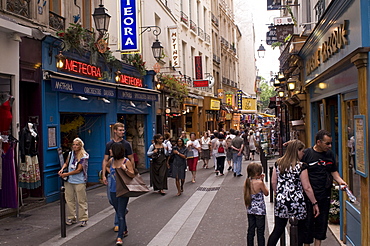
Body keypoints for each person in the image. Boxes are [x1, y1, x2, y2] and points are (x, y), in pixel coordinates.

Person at [267, 139, 319, 246]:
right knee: (300, 230)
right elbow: (307, 187)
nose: (303, 153)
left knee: (278, 229)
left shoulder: (278, 164)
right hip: (297, 201)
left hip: (281, 199)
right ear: (297, 151)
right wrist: (314, 202)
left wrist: (279, 193)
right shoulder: (301, 166)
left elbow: (273, 182)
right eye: (302, 151)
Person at [300, 130, 347, 246]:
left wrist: (341, 182)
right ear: (318, 142)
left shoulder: (329, 154)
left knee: (321, 225)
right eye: (327, 143)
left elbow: (333, 171)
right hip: (308, 197)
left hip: (324, 195)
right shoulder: (307, 154)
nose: (330, 146)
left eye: (330, 143)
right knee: (307, 225)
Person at [101, 122, 133, 233]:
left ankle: (118, 223)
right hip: (112, 175)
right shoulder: (109, 144)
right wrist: (105, 174)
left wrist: (129, 172)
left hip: (123, 176)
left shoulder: (126, 144)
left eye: (123, 130)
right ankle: (123, 211)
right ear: (114, 131)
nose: (122, 132)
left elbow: (131, 159)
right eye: (120, 130)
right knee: (111, 199)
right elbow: (105, 160)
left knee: (119, 199)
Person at [58, 138, 89, 227]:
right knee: (69, 200)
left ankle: (83, 219)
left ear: (80, 146)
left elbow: (78, 170)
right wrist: (62, 169)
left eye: (77, 145)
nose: (75, 146)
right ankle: (72, 217)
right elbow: (66, 163)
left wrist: (66, 174)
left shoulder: (84, 155)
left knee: (81, 200)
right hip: (69, 181)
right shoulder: (71, 153)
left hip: (79, 181)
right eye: (74, 144)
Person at [108, 142, 135, 245]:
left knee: (119, 214)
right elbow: (106, 167)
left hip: (123, 191)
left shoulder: (126, 161)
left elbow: (132, 174)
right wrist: (108, 176)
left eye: (111, 149)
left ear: (116, 150)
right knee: (119, 211)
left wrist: (125, 169)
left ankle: (119, 237)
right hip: (113, 190)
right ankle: (125, 228)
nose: (109, 151)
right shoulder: (111, 161)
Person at [244, 162, 269, 246]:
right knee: (260, 231)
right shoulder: (259, 183)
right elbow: (266, 193)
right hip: (260, 210)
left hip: (250, 209)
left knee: (251, 230)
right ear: (257, 173)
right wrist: (262, 181)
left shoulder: (247, 182)